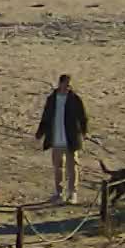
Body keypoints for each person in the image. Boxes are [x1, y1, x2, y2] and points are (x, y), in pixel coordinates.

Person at [34, 74, 88, 204]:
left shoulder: (75, 99)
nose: (68, 86)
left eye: (70, 84)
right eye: (66, 83)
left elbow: (83, 117)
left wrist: (84, 132)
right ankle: (59, 193)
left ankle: (72, 193)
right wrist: (40, 133)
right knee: (58, 167)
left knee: (72, 166)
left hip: (71, 139)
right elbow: (46, 117)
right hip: (56, 138)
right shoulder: (52, 99)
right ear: (61, 83)